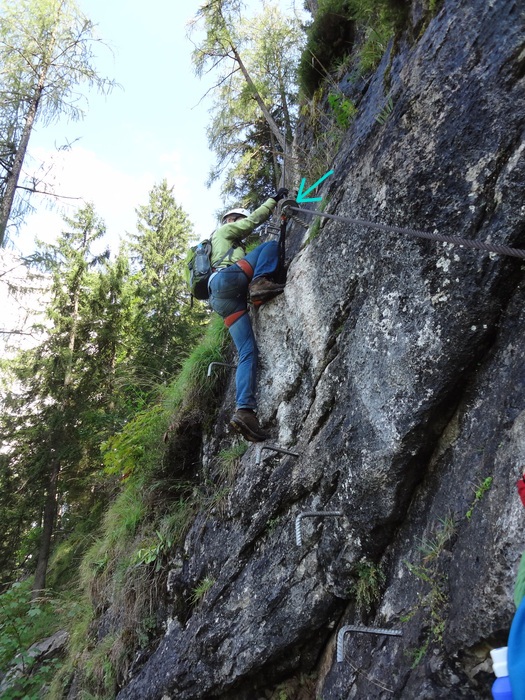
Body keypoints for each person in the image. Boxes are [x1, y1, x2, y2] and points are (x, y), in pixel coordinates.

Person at [208, 188, 289, 442]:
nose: (238, 225)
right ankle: (259, 283)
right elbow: (253, 221)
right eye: (236, 220)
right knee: (269, 247)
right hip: (227, 280)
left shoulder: (217, 248)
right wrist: (273, 200)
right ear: (230, 220)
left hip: (220, 298)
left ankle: (244, 411)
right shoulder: (224, 231)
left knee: (247, 352)